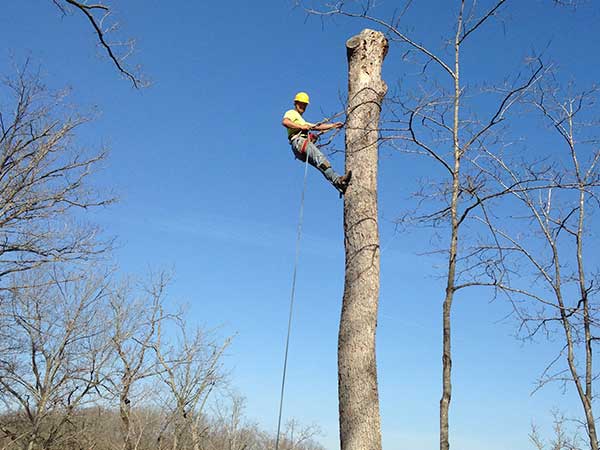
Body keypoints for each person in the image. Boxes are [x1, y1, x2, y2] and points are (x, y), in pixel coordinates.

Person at [282, 92, 352, 194]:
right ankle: (339, 180)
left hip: (300, 146)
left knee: (321, 165)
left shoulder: (302, 120)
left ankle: (339, 184)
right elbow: (285, 122)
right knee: (320, 158)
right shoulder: (291, 113)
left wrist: (333, 125)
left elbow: (316, 127)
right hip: (298, 142)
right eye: (301, 103)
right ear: (296, 103)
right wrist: (301, 127)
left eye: (305, 104)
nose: (303, 106)